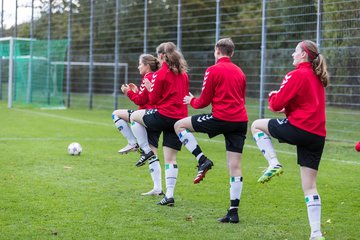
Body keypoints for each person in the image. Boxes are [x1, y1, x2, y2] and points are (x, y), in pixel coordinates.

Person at [251, 40, 329, 240]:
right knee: (310, 186)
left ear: (303, 54)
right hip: (317, 135)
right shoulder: (317, 77)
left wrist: (272, 96)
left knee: (256, 125)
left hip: (300, 129)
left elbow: (276, 104)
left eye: (295, 52)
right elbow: (304, 104)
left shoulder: (295, 74)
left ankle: (273, 163)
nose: (292, 55)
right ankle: (316, 233)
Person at [174, 38, 248, 223]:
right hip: (240, 121)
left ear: (217, 51)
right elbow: (242, 97)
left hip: (221, 118)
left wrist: (191, 101)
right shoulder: (240, 72)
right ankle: (233, 212)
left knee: (179, 125)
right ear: (231, 53)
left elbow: (203, 101)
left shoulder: (213, 70)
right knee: (235, 166)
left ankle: (202, 160)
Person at [130, 42, 189, 206]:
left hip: (164, 115)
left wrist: (149, 88)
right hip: (179, 119)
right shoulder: (183, 74)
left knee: (134, 116)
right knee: (171, 159)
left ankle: (146, 150)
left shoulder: (160, 74)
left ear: (161, 56)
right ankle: (169, 195)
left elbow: (154, 100)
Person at [112, 54, 163, 196]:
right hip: (156, 116)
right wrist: (136, 91)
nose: (138, 66)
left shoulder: (148, 77)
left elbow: (140, 101)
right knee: (153, 153)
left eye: (140, 64)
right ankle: (158, 188)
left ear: (147, 65)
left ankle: (132, 143)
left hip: (145, 117)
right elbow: (146, 99)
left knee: (116, 114)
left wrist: (128, 92)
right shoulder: (155, 77)